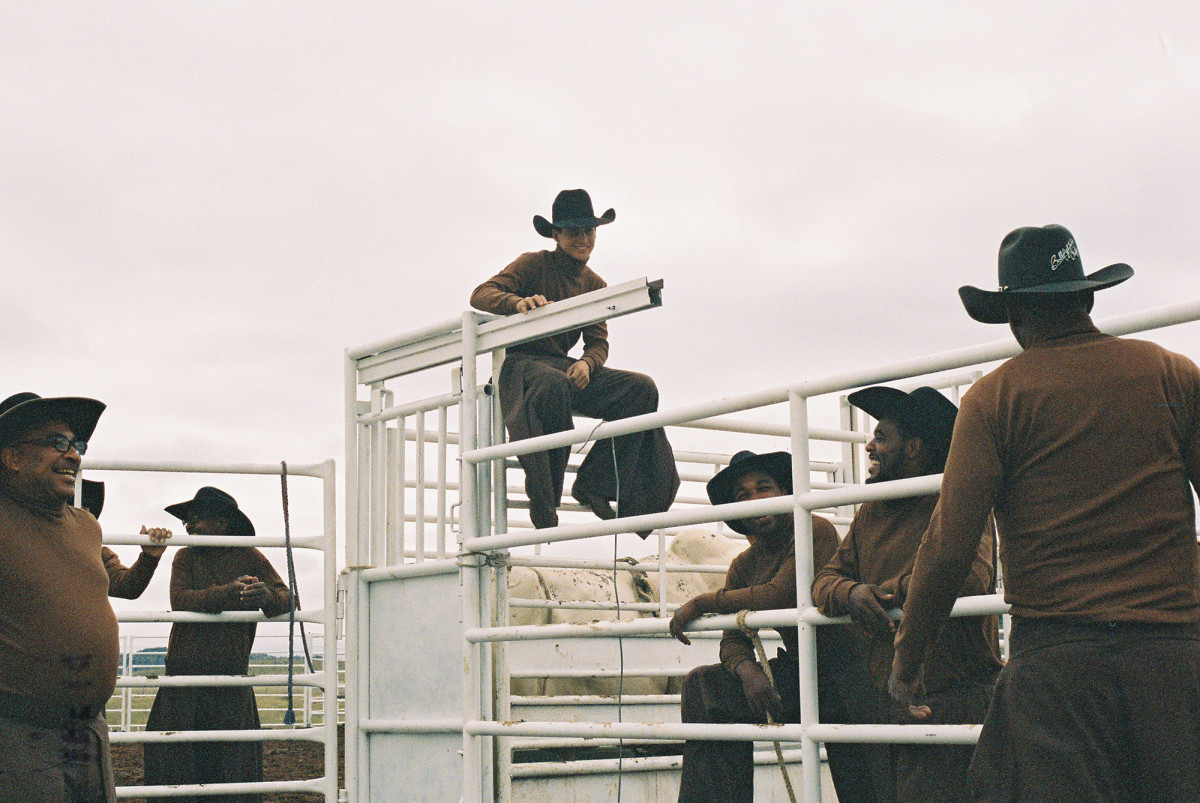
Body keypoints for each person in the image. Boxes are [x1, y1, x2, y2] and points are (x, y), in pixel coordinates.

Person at [889, 224, 1200, 800]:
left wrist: (908, 658)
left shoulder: (993, 398)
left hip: (1058, 667)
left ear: (1011, 316)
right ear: (1086, 298)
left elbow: (949, 548)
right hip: (1174, 657)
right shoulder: (1171, 372)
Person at [812, 386, 1002, 802]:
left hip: (955, 695)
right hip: (894, 695)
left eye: (881, 437)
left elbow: (968, 576)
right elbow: (824, 582)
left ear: (914, 448)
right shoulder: (872, 510)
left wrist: (879, 594)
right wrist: (850, 592)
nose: (869, 446)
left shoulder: (956, 501)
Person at [669, 450, 884, 803]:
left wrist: (702, 602)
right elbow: (732, 639)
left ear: (785, 492)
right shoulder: (743, 564)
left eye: (764, 488)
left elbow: (781, 595)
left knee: (864, 788)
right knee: (705, 687)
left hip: (854, 677)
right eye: (743, 496)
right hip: (801, 677)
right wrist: (746, 670)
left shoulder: (814, 529)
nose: (756, 500)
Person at [470, 188, 679, 534]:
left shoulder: (595, 284)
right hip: (523, 365)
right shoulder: (532, 263)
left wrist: (587, 363)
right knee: (552, 385)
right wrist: (517, 302)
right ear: (556, 235)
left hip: (563, 367)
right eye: (573, 231)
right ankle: (545, 498)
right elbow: (481, 294)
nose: (583, 239)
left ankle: (596, 483)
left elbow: (598, 342)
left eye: (589, 231)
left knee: (641, 389)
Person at [0, 391, 118, 801]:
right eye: (57, 442)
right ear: (11, 457)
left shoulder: (87, 526)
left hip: (86, 730)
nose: (73, 455)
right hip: (19, 736)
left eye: (77, 445)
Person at [142, 487, 292, 803]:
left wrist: (264, 596)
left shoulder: (249, 556)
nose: (189, 525)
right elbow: (180, 600)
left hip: (230, 681)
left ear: (223, 523)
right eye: (187, 519)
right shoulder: (184, 557)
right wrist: (228, 593)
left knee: (232, 776)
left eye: (197, 517)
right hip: (183, 682)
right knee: (175, 773)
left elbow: (287, 597)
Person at [79, 479, 172, 599]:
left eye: (85, 507)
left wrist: (149, 558)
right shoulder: (46, 548)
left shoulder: (98, 554)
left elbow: (127, 587)